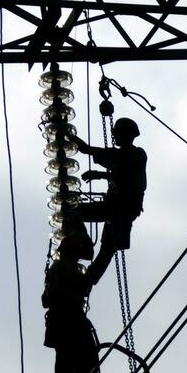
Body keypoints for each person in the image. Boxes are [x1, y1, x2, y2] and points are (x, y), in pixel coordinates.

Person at [72, 117, 147, 287]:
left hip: (123, 208)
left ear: (128, 135)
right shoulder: (116, 154)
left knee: (107, 248)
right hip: (115, 207)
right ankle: (86, 278)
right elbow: (86, 149)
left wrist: (100, 174)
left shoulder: (138, 154)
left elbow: (126, 176)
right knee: (106, 248)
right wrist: (69, 134)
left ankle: (87, 274)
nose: (117, 138)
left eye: (119, 134)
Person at [43, 232, 108, 373]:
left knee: (72, 358)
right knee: (76, 356)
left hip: (65, 321)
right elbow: (86, 282)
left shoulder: (59, 268)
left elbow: (46, 299)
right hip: (67, 321)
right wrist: (105, 255)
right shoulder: (62, 267)